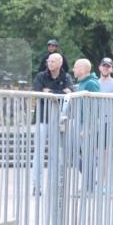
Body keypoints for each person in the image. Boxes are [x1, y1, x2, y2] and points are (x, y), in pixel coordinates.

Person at [31, 53, 74, 194]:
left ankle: (54, 184)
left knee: (56, 153)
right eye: (49, 61)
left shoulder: (66, 77)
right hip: (42, 119)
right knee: (38, 152)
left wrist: (50, 92)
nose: (50, 63)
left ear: (60, 63)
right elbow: (38, 93)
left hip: (57, 120)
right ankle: (36, 185)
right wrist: (59, 93)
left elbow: (70, 94)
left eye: (53, 61)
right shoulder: (40, 76)